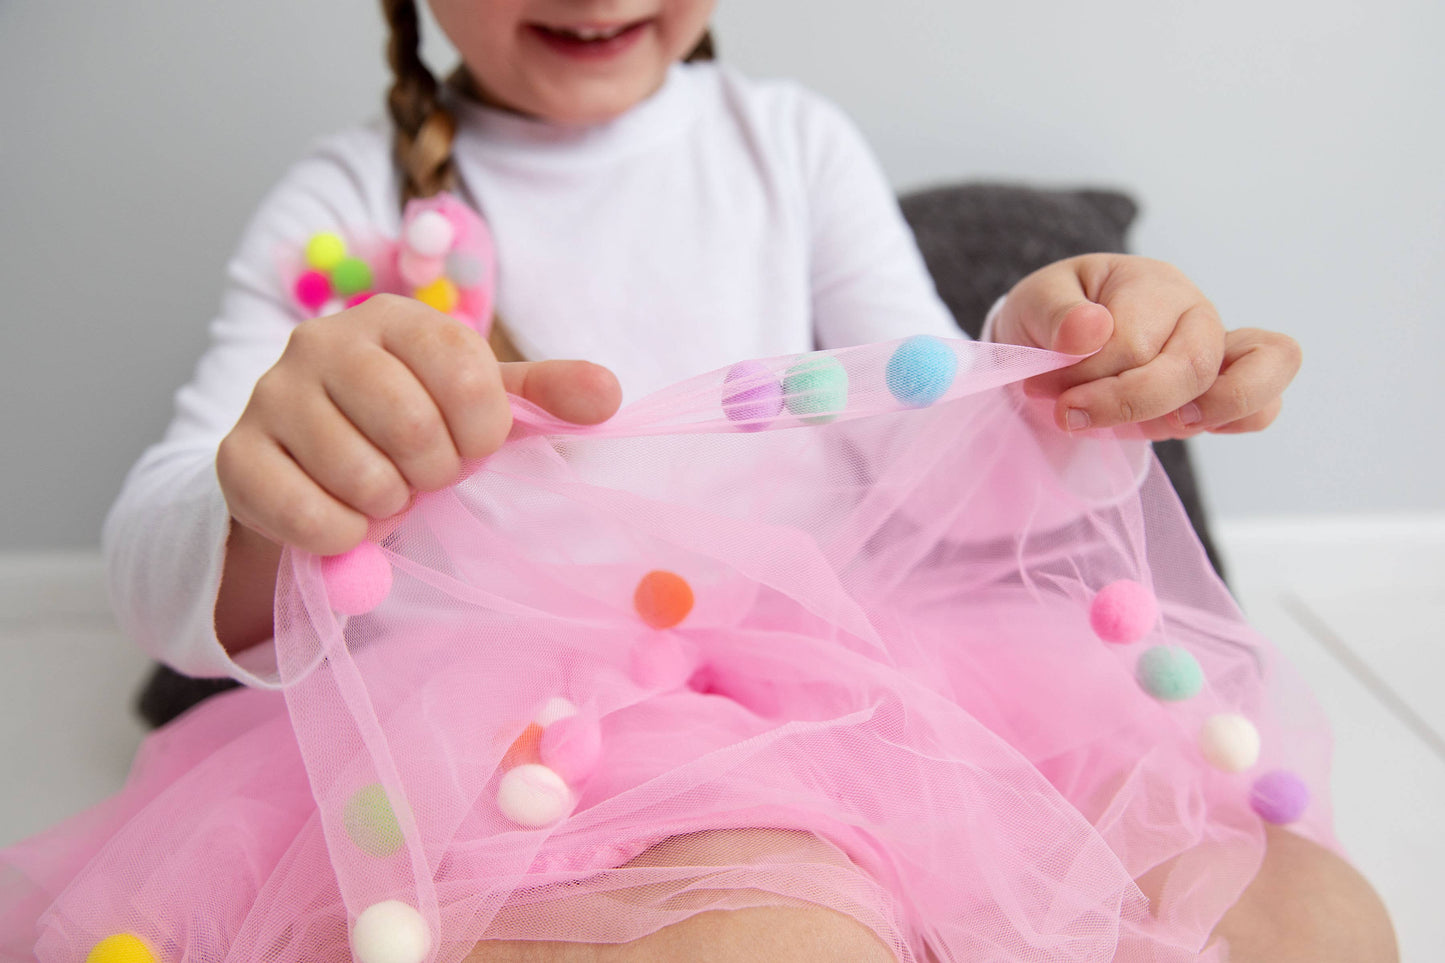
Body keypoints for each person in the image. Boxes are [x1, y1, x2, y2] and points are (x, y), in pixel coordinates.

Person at [2, 2, 1396, 961]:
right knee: (773, 932)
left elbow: (948, 493)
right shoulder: (342, 199)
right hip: (518, 752)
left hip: (865, 688)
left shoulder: (788, 146)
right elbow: (157, 578)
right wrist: (265, 491)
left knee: (1310, 923)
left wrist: (1040, 379)